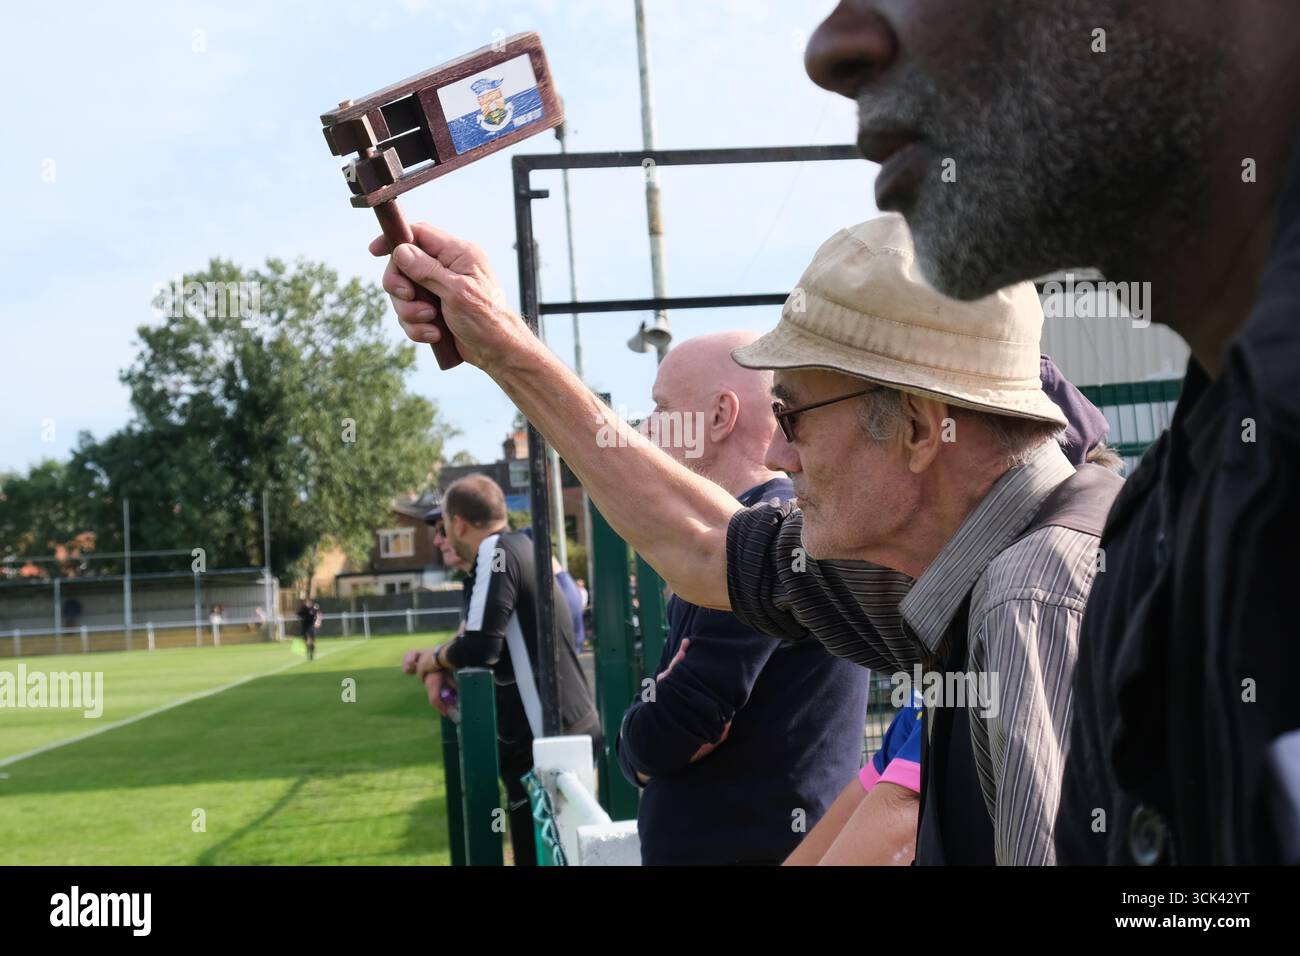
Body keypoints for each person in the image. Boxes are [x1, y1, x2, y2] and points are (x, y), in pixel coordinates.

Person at [373, 213, 1119, 864]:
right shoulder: (969, 559)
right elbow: (704, 544)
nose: (777, 455)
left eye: (794, 417)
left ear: (920, 428)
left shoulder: (1031, 597)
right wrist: (498, 340)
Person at [803, 1, 1300, 864]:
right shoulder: (1165, 518)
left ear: (922, 429)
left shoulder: (1049, 578)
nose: (835, 48)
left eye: (790, 415)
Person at [613, 332, 872, 866]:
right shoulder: (752, 528)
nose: (646, 429)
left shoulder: (757, 536)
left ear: (719, 416)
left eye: (662, 408)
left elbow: (674, 728)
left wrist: (634, 740)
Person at [402, 474, 600, 866]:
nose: (442, 535)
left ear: (458, 522)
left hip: (546, 745)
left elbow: (479, 647)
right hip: (567, 732)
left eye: (444, 524)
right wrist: (441, 658)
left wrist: (432, 661)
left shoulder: (495, 550)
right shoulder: (519, 544)